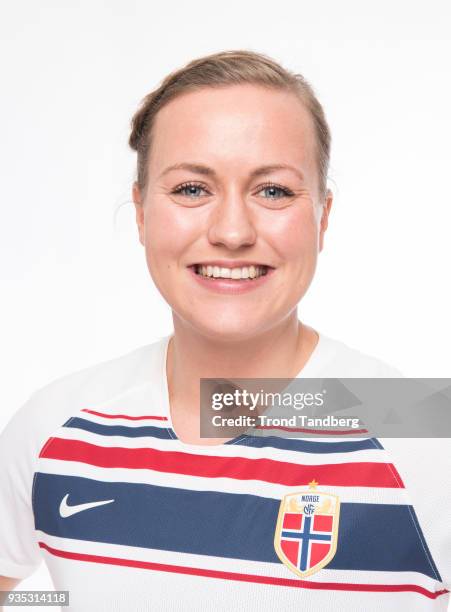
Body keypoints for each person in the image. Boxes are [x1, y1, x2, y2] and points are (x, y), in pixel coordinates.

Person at [0, 49, 449, 612]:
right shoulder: (57, 427)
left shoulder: (424, 430)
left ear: (323, 218)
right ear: (140, 212)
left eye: (274, 191)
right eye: (192, 189)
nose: (232, 231)